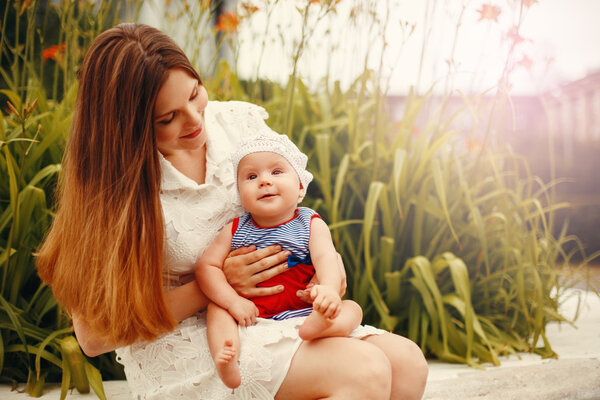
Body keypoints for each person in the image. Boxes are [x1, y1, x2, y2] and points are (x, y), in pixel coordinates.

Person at [35, 22, 428, 399]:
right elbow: (93, 338)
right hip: (191, 341)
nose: (194, 121)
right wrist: (217, 285)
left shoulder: (239, 125)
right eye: (167, 118)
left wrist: (326, 271)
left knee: (407, 364)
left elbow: (294, 218)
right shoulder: (110, 187)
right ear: (127, 128)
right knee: (364, 371)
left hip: (277, 313)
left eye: (194, 94)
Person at [196, 133, 363, 389]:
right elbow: (207, 267)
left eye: (276, 172)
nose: (264, 181)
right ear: (240, 194)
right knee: (217, 308)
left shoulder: (308, 222)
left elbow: (326, 257)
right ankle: (226, 356)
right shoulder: (236, 228)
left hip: (302, 306)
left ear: (299, 187)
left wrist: (327, 289)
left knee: (352, 308)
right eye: (251, 177)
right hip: (252, 310)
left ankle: (320, 327)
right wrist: (233, 301)